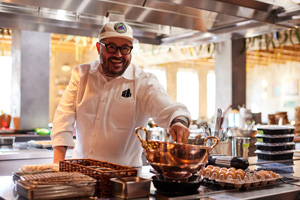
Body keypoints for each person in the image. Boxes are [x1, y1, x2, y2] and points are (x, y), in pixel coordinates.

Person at [51, 21, 191, 167]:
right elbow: (63, 119)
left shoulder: (143, 81)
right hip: (83, 172)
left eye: (125, 49)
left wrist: (179, 123)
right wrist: (57, 165)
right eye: (111, 47)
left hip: (125, 177)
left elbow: (170, 110)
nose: (118, 55)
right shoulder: (81, 75)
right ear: (99, 48)